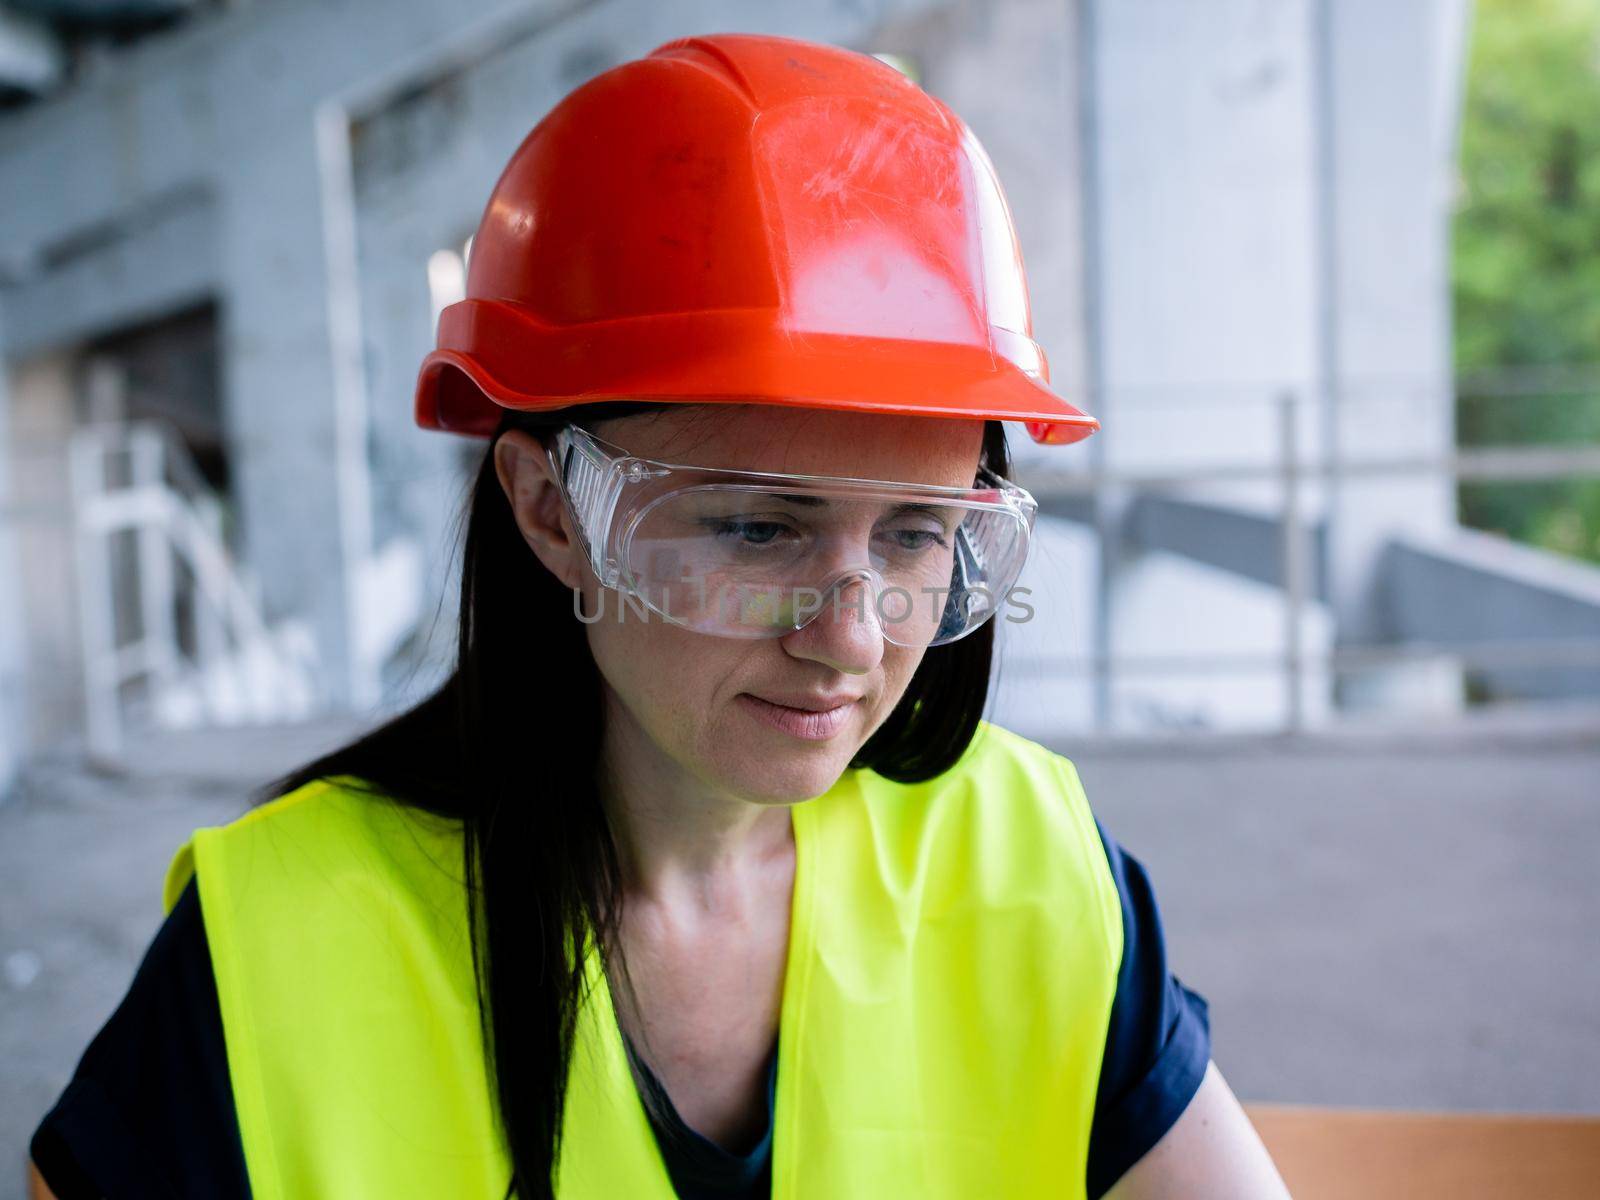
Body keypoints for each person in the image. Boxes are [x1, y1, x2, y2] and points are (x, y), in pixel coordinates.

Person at [29, 32, 1291, 1200]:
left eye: (915, 534)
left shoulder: (1031, 869)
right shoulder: (279, 946)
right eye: (757, 529)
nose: (851, 639)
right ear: (552, 512)